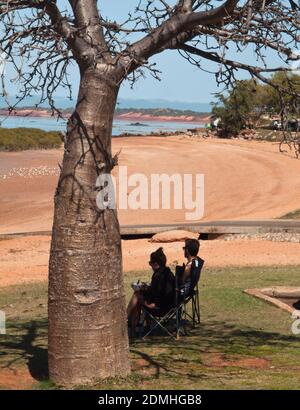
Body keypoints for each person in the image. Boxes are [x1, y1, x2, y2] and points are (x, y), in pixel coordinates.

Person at [127, 247, 175, 335]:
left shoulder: (157, 275)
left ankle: (128, 322)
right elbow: (158, 290)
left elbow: (154, 294)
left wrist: (143, 289)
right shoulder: (168, 273)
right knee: (139, 297)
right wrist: (148, 288)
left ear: (156, 264)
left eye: (150, 263)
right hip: (169, 305)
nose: (151, 266)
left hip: (159, 308)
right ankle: (142, 326)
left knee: (137, 296)